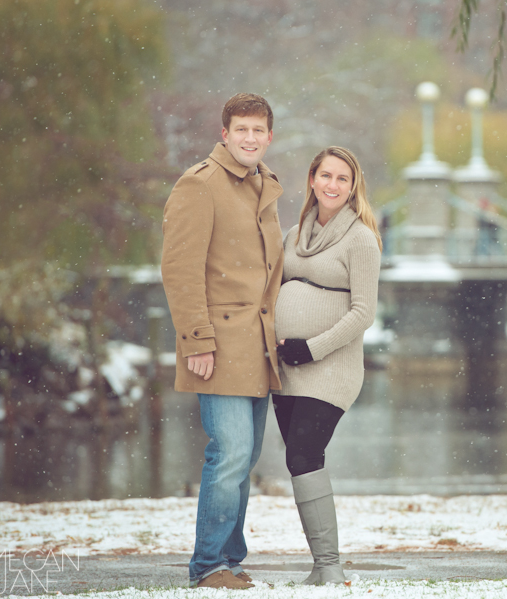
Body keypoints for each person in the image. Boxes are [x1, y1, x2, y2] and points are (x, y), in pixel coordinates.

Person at [161, 93, 283, 590]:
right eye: (241, 130)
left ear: (269, 137)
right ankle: (208, 565)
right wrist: (197, 341)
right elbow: (180, 269)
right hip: (217, 343)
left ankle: (230, 558)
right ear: (224, 133)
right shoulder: (200, 185)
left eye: (259, 130)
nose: (250, 138)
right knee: (230, 451)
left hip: (257, 345)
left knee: (246, 455)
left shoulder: (265, 185)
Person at [274, 146, 382, 585]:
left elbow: (363, 313)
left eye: (342, 178)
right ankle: (322, 567)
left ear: (353, 187)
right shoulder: (293, 233)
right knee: (299, 460)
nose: (333, 185)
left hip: (330, 368)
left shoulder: (361, 239)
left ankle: (329, 567)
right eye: (326, 176)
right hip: (287, 370)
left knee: (304, 452)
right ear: (312, 180)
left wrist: (312, 348)